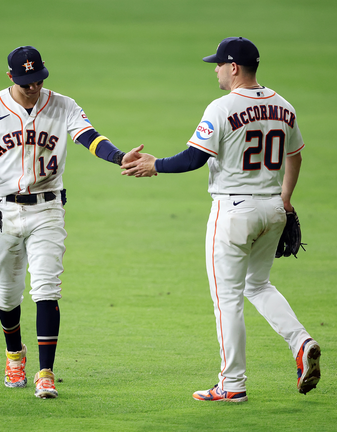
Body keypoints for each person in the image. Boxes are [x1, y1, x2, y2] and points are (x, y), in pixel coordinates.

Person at [121, 37, 321, 402]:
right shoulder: (284, 106)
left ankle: (232, 385)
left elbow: (195, 158)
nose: (214, 69)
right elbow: (296, 156)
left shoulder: (223, 107)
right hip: (273, 209)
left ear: (234, 68)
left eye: (218, 64)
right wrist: (286, 199)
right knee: (258, 286)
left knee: (227, 299)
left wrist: (156, 165)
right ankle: (301, 341)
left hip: (233, 213)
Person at [0, 45, 142, 399]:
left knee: (46, 287)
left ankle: (46, 372)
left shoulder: (63, 105)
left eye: (38, 80)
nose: (34, 88)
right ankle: (15, 355)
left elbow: (89, 137)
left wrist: (119, 156)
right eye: (26, 82)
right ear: (11, 78)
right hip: (4, 212)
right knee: (7, 295)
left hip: (48, 209)